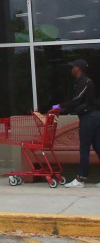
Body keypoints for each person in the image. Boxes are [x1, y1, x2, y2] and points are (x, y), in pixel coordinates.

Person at [54, 59, 100, 188]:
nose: (71, 69)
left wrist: (60, 106)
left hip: (89, 118)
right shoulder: (81, 82)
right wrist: (65, 109)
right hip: (94, 117)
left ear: (78, 68)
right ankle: (81, 179)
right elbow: (77, 103)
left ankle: (80, 179)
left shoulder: (84, 82)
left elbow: (76, 101)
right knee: (98, 147)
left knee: (84, 149)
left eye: (73, 66)